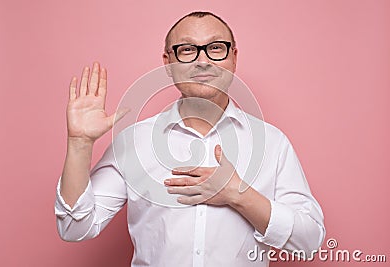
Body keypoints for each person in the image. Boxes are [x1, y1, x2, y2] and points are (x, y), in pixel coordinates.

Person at [55, 11, 325, 267]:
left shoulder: (272, 143)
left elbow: (309, 241)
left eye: (216, 47)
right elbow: (74, 227)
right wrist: (80, 144)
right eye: (187, 50)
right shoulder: (134, 142)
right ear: (168, 64)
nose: (203, 60)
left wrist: (238, 196)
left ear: (233, 57)